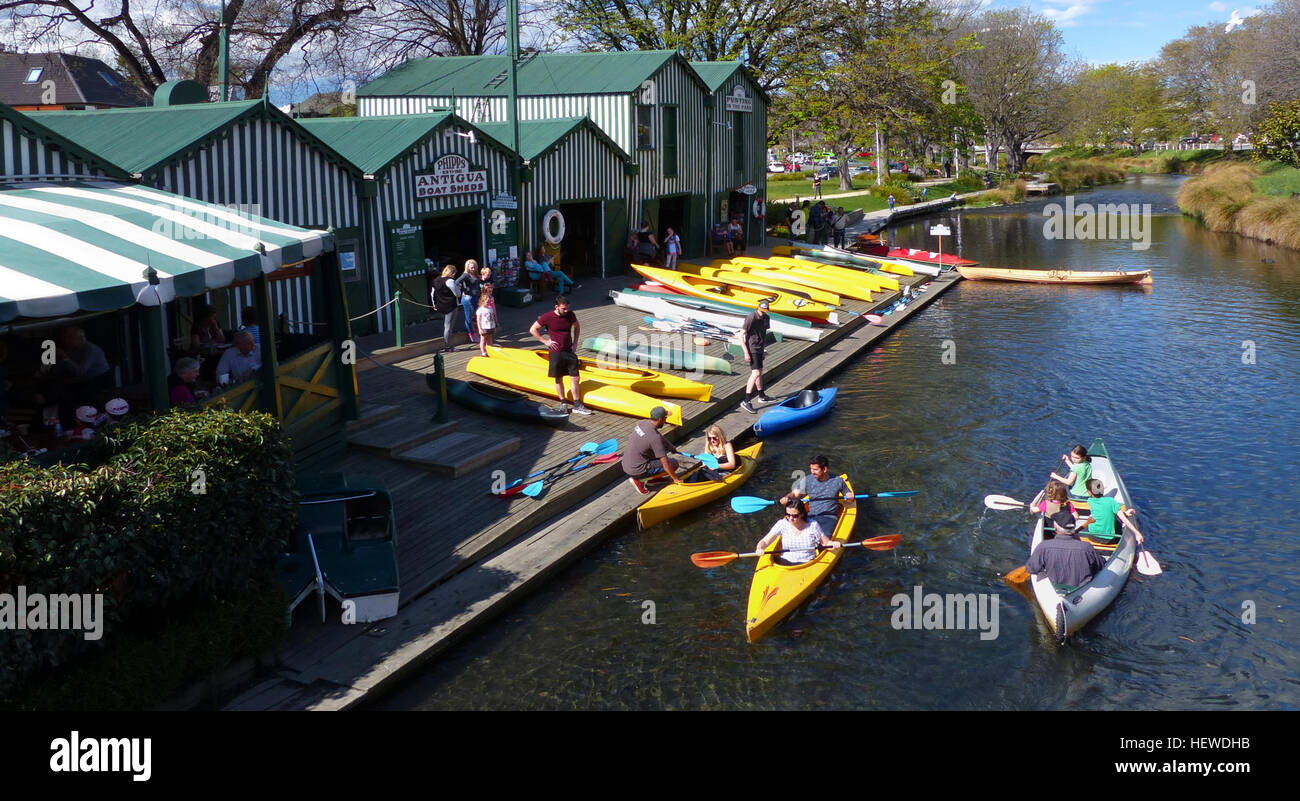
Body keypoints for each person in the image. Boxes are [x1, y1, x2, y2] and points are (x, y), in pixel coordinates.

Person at [529, 295, 591, 415]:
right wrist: (545, 341)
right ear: (556, 307)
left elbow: (577, 327)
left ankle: (577, 404)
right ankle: (563, 403)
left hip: (569, 350)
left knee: (576, 377)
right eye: (564, 309)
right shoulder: (547, 317)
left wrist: (575, 343)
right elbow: (533, 329)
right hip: (556, 352)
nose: (566, 311)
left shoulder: (571, 315)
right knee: (559, 378)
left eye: (568, 308)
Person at [1026, 510, 1106, 590]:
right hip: (1082, 589)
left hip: (1055, 587)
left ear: (1055, 528)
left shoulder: (1043, 546)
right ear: (1074, 527)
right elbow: (1100, 565)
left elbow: (1032, 569)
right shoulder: (1086, 547)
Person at [778, 455, 854, 534]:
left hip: (829, 517)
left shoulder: (838, 481)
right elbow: (794, 494)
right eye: (811, 469)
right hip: (811, 516)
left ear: (824, 469)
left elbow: (850, 498)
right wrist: (787, 497)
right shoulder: (807, 480)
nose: (812, 472)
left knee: (824, 539)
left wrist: (850, 497)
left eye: (815, 469)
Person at [621, 405, 686, 494]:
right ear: (660, 419)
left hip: (627, 463)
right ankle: (641, 480)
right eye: (665, 418)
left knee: (654, 454)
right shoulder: (655, 439)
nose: (666, 421)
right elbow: (666, 464)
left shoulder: (643, 423)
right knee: (674, 464)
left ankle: (654, 479)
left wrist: (670, 446)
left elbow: (658, 435)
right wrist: (676, 479)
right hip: (637, 469)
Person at [754, 499, 840, 565]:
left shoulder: (813, 525)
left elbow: (825, 543)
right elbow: (765, 541)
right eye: (788, 515)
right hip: (785, 561)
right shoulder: (782, 523)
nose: (791, 518)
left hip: (807, 563)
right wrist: (759, 548)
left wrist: (834, 544)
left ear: (802, 514)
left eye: (795, 516)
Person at [1076, 478, 1142, 546]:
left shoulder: (1090, 501)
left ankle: (1124, 513)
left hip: (1093, 536)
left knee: (1099, 516)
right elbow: (1123, 519)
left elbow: (1103, 511)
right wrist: (1137, 533)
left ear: (1089, 492)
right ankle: (1124, 514)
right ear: (1102, 489)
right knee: (1117, 518)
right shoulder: (1111, 501)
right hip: (1110, 540)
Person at [739, 300, 773, 413]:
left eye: (765, 311)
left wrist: (763, 350)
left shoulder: (766, 318)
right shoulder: (751, 318)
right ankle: (746, 400)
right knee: (756, 373)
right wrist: (745, 352)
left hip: (759, 348)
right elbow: (741, 335)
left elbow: (763, 335)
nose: (762, 313)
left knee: (760, 371)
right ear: (758, 308)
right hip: (752, 347)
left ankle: (761, 395)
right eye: (761, 310)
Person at [432, 263, 461, 352]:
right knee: (449, 326)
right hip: (451, 305)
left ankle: (448, 344)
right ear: (452, 273)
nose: (454, 275)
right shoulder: (450, 281)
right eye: (454, 274)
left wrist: (434, 304)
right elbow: (457, 294)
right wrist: (458, 287)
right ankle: (448, 346)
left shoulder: (436, 280)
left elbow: (432, 294)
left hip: (441, 304)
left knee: (446, 325)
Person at [456, 259, 483, 343]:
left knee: (476, 316)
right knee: (469, 318)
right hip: (468, 298)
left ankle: (476, 332)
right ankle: (471, 335)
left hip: (477, 297)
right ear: (467, 267)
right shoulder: (465, 275)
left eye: (474, 265)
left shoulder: (475, 274)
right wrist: (464, 289)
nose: (473, 267)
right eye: (471, 266)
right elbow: (456, 282)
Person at [475, 285, 496, 357]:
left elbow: (492, 317)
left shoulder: (490, 308)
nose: (489, 303)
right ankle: (483, 352)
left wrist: (495, 323)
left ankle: (490, 350)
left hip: (490, 326)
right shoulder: (480, 310)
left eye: (489, 302)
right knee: (483, 339)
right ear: (482, 302)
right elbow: (478, 320)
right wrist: (479, 328)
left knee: (490, 339)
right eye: (487, 302)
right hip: (484, 327)